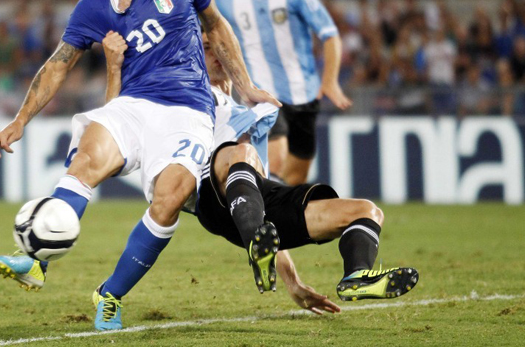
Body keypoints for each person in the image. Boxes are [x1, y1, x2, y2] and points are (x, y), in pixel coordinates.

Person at [0, 0, 278, 332]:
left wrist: (247, 86)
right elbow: (58, 64)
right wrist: (20, 119)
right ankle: (36, 262)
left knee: (171, 196)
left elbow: (215, 27)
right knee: (86, 160)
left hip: (187, 110)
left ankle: (110, 295)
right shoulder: (91, 6)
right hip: (132, 105)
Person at [107, 28, 419, 307]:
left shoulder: (250, 112)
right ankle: (254, 235)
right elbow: (118, 121)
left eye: (220, 46)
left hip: (252, 201)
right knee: (240, 154)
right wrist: (114, 67)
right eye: (206, 47)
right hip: (210, 195)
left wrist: (293, 283)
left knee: (366, 211)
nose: (215, 53)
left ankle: (357, 276)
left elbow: (266, 226)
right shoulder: (183, 93)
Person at [215, 0, 352, 185]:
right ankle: (259, 219)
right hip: (261, 97)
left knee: (297, 176)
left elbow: (330, 34)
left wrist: (330, 80)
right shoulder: (223, 0)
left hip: (304, 95)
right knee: (274, 162)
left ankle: (279, 221)